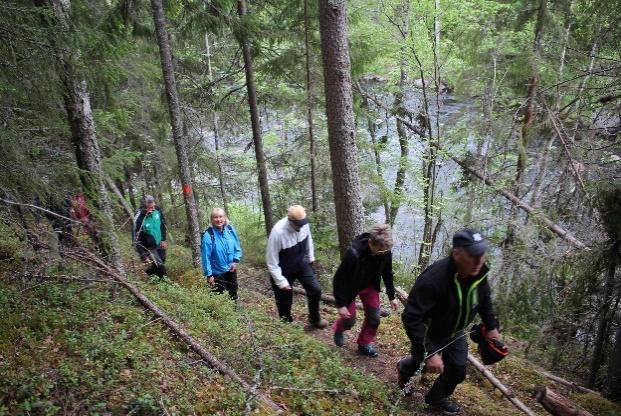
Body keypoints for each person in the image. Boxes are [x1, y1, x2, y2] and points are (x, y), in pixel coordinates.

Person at [398, 228, 500, 415]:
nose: (479, 261)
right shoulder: (434, 279)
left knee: (458, 370)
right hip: (431, 332)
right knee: (422, 363)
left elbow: (484, 298)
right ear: (457, 254)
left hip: (457, 331)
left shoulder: (479, 273)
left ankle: (435, 398)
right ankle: (405, 368)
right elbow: (411, 317)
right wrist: (429, 353)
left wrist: (491, 327)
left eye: (482, 254)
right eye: (473, 255)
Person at [332, 223, 400, 357]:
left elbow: (387, 273)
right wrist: (340, 305)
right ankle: (339, 328)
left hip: (370, 286)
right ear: (370, 242)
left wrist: (392, 296)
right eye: (379, 250)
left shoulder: (385, 251)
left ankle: (364, 343)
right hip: (350, 287)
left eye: (384, 251)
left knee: (374, 318)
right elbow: (338, 279)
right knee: (349, 320)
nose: (382, 253)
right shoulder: (354, 254)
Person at [266, 205, 328, 328]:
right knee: (285, 300)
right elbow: (271, 261)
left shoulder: (303, 224)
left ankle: (314, 319)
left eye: (302, 223)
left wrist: (311, 258)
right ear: (290, 221)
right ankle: (286, 325)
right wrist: (281, 281)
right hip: (283, 269)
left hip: (301, 263)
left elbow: (308, 239)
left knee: (315, 290)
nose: (301, 227)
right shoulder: (278, 232)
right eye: (298, 224)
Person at [201, 208, 242, 301]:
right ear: (211, 219)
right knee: (217, 296)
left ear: (225, 218)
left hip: (231, 269)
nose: (219, 220)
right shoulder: (208, 235)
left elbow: (237, 247)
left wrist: (235, 261)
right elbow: (205, 257)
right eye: (215, 217)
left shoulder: (230, 230)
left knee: (233, 291)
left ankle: (235, 310)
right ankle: (217, 314)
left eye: (221, 217)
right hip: (216, 272)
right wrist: (209, 275)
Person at [134, 195, 168, 278]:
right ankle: (165, 282)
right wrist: (143, 255)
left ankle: (149, 272)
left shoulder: (157, 210)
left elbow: (163, 225)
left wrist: (163, 239)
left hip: (159, 242)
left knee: (162, 260)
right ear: (143, 207)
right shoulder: (138, 218)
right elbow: (136, 239)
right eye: (149, 208)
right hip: (148, 247)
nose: (152, 209)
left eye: (153, 206)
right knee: (160, 265)